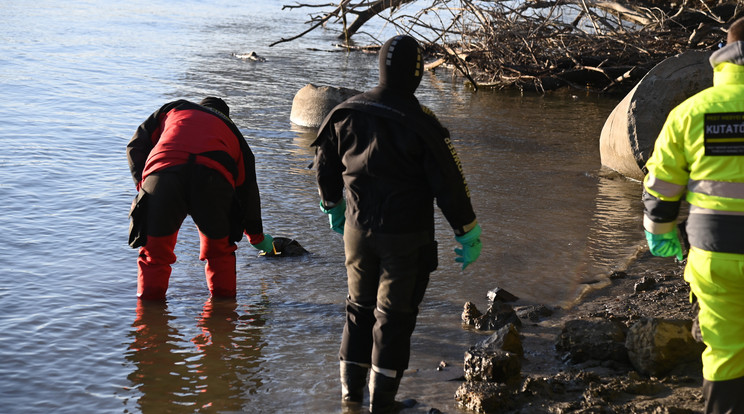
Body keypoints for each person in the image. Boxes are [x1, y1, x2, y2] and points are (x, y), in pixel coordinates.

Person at [312, 35, 482, 413]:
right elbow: (449, 184)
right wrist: (466, 230)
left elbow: (323, 164)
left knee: (357, 309)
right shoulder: (423, 125)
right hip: (404, 239)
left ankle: (349, 399)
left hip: (356, 232)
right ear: (417, 75)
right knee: (393, 318)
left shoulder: (346, 112)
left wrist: (332, 205)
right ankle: (382, 404)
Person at [642, 18, 744, 414]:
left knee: (724, 349)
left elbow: (661, 184)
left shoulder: (690, 112)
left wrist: (659, 230)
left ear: (724, 52)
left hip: (714, 254)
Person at [127, 97, 274, 300]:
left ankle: (148, 321)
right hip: (213, 180)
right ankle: (223, 318)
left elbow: (135, 146)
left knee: (154, 256)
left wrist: (144, 187)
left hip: (164, 175)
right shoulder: (233, 133)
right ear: (226, 116)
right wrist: (257, 238)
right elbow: (247, 191)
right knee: (219, 255)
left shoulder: (174, 108)